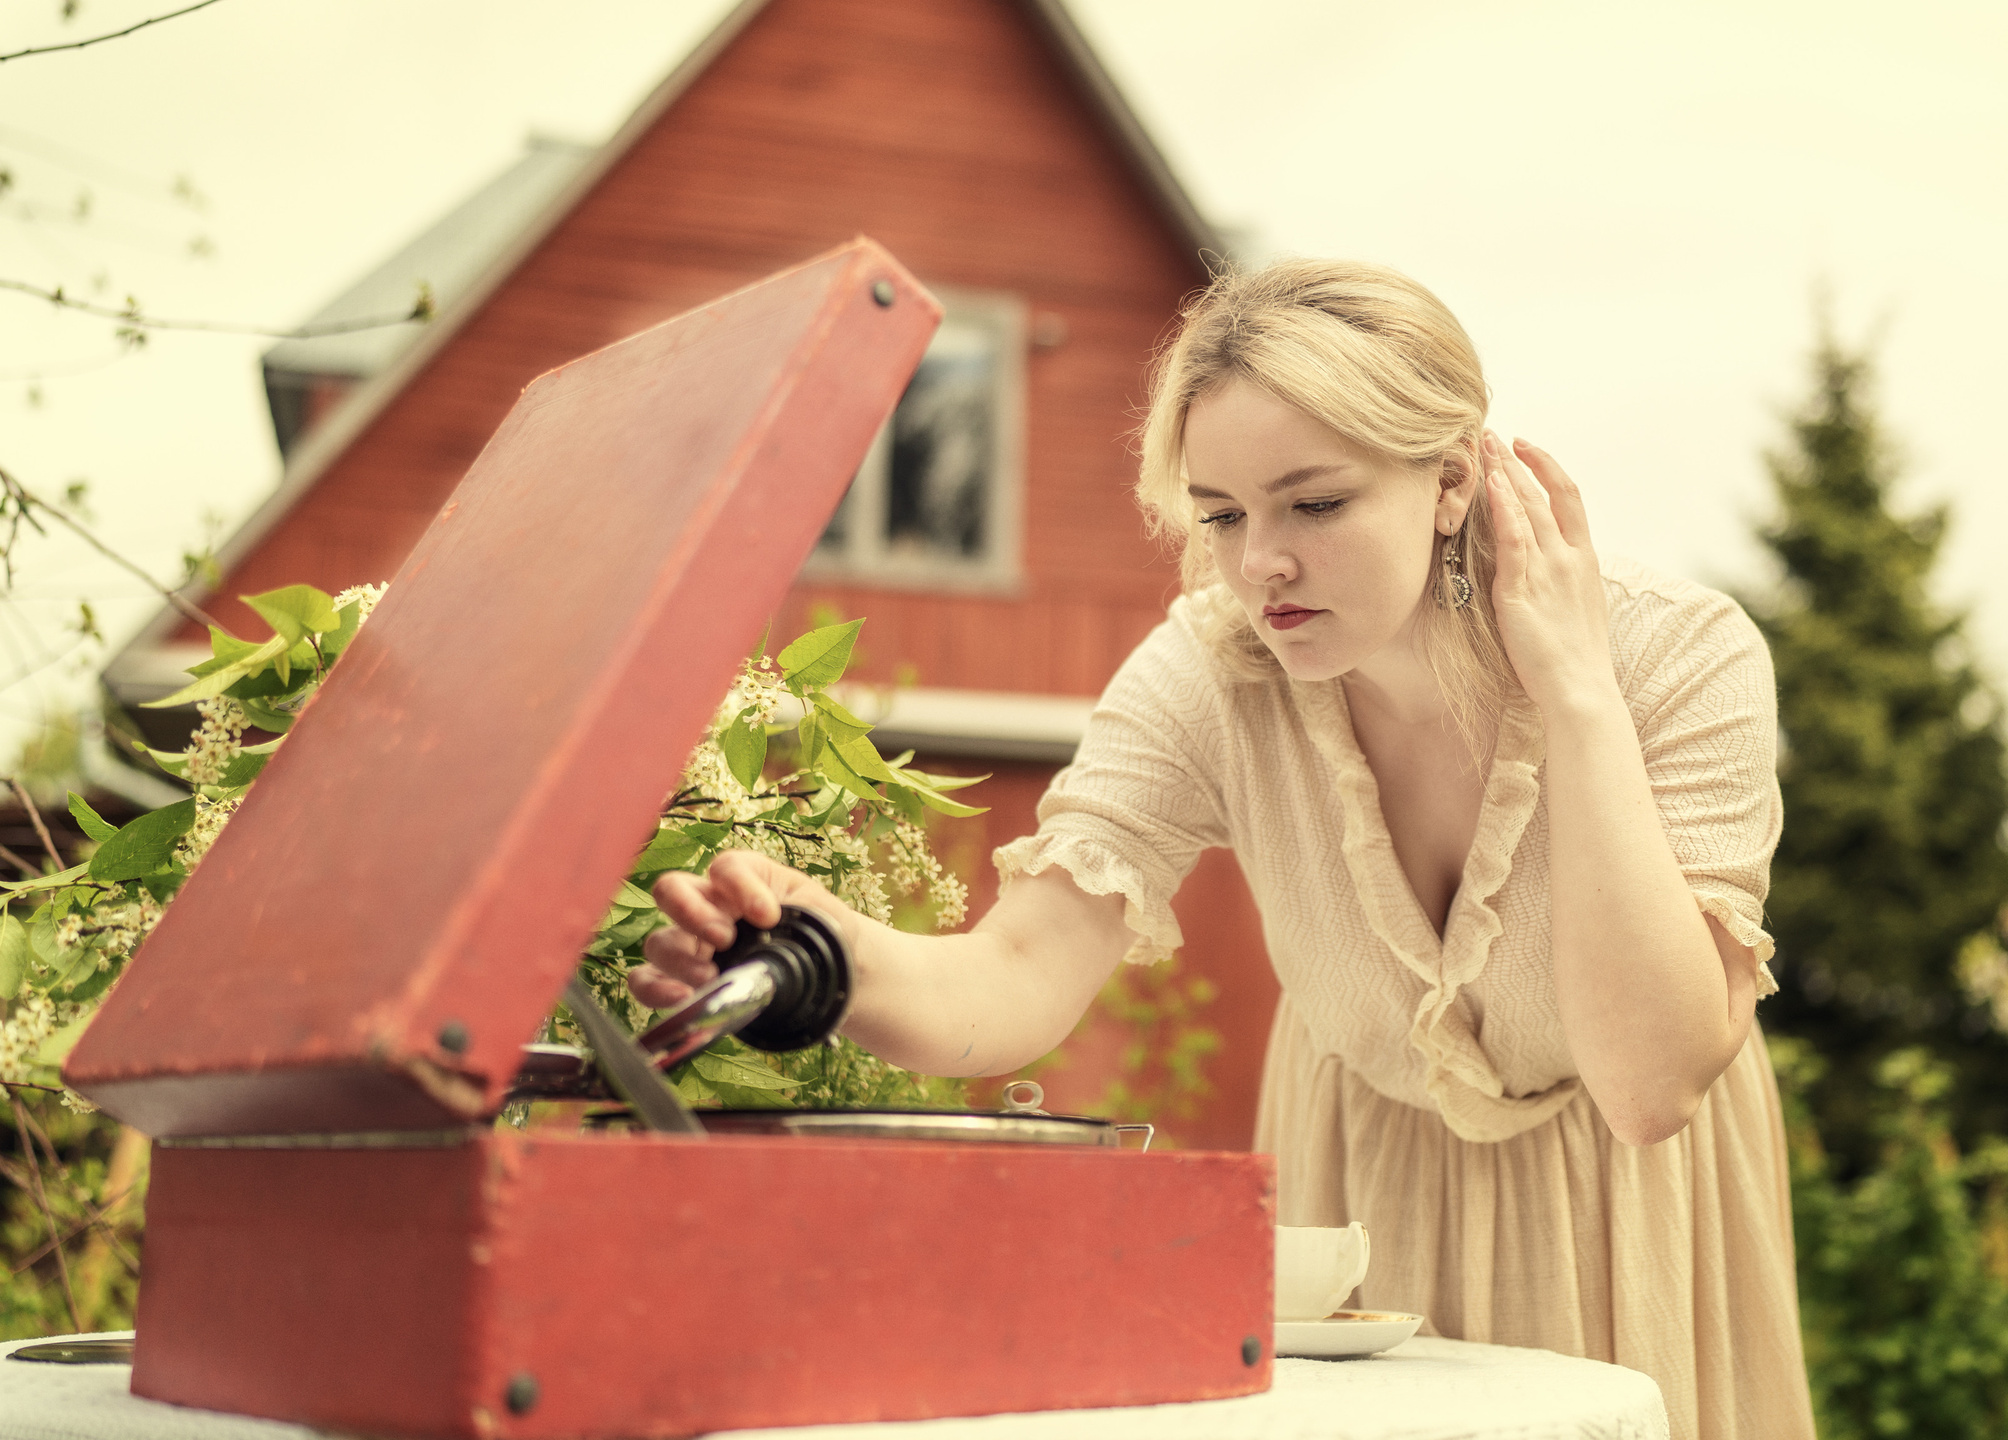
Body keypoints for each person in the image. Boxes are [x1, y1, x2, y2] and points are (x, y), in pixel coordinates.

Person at [633, 259, 1816, 1440]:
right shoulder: (1208, 669)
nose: (1261, 566)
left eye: (1315, 504)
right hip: (1363, 1214)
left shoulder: (1681, 659)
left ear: (1451, 479)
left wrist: (1576, 694)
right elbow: (1019, 975)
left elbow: (1650, 1081)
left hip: (1630, 1221)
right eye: (1221, 516)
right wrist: (825, 955)